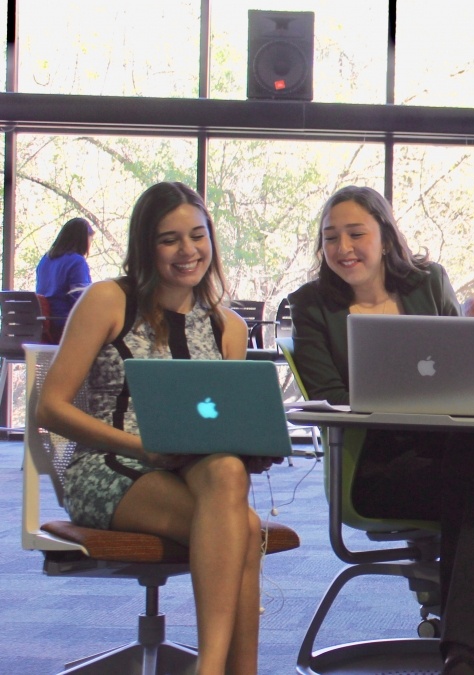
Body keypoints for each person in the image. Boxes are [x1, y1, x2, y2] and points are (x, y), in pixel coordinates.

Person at [286, 185, 474, 675]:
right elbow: (327, 394)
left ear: (384, 237)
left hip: (451, 456)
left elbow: (464, 372)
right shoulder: (311, 304)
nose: (343, 248)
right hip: (377, 469)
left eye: (356, 233)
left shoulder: (427, 283)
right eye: (330, 238)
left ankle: (465, 654)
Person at [36, 182, 270, 675]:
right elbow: (50, 408)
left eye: (198, 235)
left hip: (198, 471)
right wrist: (141, 444)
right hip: (109, 466)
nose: (189, 251)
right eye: (170, 239)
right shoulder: (108, 300)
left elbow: (225, 418)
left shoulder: (228, 326)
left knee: (229, 468)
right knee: (244, 529)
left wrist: (255, 441)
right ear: (146, 245)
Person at [36, 217, 95, 342]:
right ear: (83, 239)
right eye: (91, 239)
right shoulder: (76, 261)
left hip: (44, 327)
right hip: (64, 326)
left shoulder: (45, 260)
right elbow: (81, 300)